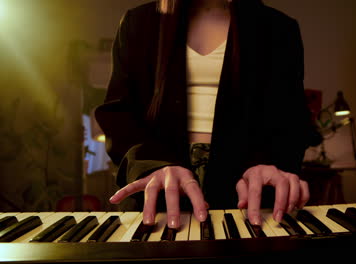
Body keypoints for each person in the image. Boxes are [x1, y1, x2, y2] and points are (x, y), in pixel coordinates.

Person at [95, 0, 322, 230]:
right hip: (160, 192)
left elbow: (290, 120)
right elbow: (119, 114)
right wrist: (151, 166)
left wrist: (269, 164)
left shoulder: (279, 28)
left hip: (248, 195)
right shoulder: (139, 22)